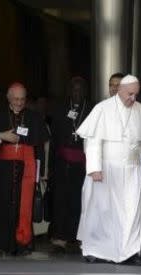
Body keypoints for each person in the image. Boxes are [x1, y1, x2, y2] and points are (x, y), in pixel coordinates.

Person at [76, 75, 141, 265]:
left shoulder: (139, 110)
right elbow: (93, 142)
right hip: (106, 169)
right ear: (120, 90)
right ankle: (94, 250)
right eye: (130, 94)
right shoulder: (102, 108)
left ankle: (129, 253)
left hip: (132, 170)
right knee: (102, 211)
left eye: (136, 94)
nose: (133, 98)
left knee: (131, 211)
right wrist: (94, 168)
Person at [0, 82, 48, 256]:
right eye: (16, 99)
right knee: (4, 206)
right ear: (8, 98)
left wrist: (40, 173)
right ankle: (5, 243)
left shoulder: (34, 118)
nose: (19, 103)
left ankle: (23, 243)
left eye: (22, 99)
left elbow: (39, 147)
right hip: (3, 171)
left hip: (26, 169)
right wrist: (0, 136)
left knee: (24, 206)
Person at [47, 77, 92, 253]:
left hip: (83, 165)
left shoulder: (91, 109)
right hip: (62, 164)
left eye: (80, 89)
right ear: (69, 91)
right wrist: (50, 167)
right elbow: (54, 139)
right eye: (74, 89)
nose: (77, 92)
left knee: (81, 201)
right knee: (61, 200)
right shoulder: (60, 109)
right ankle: (60, 238)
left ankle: (81, 237)